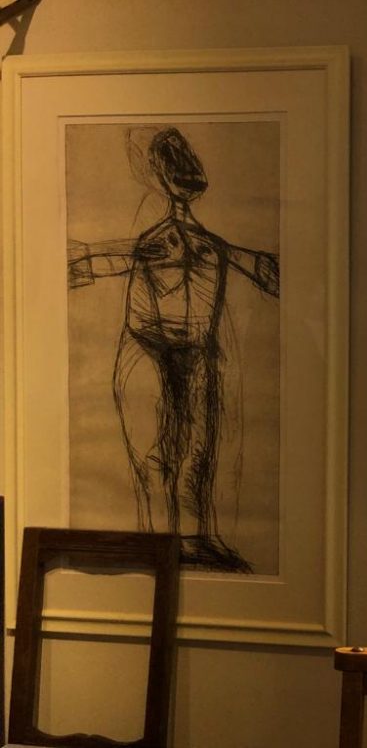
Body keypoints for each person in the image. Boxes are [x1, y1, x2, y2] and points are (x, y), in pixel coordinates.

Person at [68, 126, 279, 572]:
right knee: (155, 453)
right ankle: (157, 544)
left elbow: (276, 276)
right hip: (147, 344)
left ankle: (195, 540)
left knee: (197, 452)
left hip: (196, 349)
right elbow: (68, 266)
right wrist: (135, 251)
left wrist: (222, 252)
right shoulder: (150, 244)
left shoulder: (212, 247)